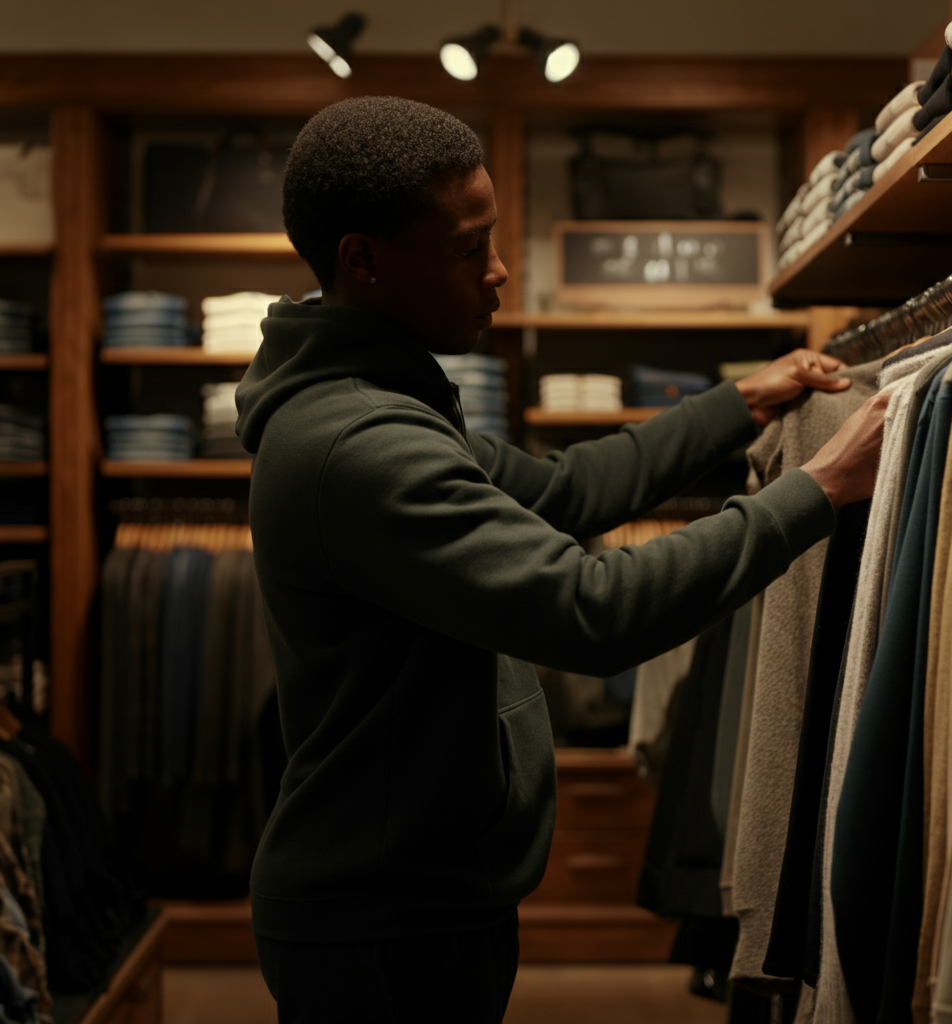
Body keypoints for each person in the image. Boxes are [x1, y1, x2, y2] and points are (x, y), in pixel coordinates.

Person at [236, 96, 889, 1023]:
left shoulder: (381, 401)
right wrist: (816, 490)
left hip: (404, 896)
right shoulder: (361, 444)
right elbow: (594, 610)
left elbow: (566, 489)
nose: (499, 271)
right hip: (383, 923)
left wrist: (737, 403)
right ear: (364, 261)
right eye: (469, 248)